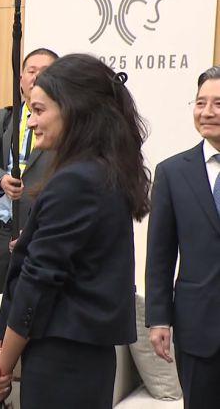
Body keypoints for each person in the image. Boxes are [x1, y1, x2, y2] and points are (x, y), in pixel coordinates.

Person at [0, 54, 151, 408]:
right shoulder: (99, 171)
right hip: (81, 360)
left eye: (39, 111)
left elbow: (38, 283)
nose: (31, 122)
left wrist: (2, 369)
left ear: (73, 110)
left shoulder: (77, 181)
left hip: (63, 364)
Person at [146, 65, 220, 409]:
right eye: (201, 102)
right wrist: (158, 318)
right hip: (198, 328)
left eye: (218, 103)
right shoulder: (172, 173)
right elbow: (160, 255)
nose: (207, 112)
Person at [0, 48, 58, 293]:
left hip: (37, 234)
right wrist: (1, 179)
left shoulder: (65, 125)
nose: (36, 77)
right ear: (20, 79)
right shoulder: (0, 119)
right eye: (31, 71)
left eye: (45, 72)